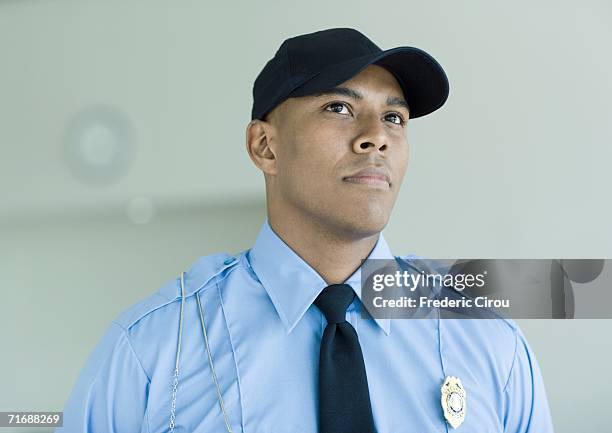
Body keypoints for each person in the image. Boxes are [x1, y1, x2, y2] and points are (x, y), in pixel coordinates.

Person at [57, 27, 555, 433]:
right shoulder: (152, 349)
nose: (376, 137)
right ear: (265, 147)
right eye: (338, 108)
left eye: (394, 117)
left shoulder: (488, 341)